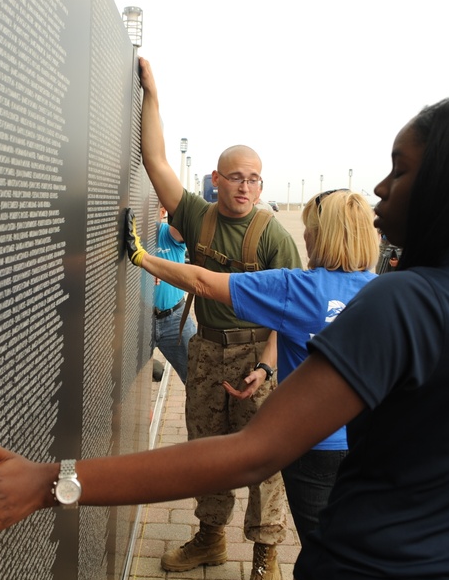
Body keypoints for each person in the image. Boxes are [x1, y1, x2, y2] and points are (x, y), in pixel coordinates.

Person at [0, 93, 449, 580]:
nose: (378, 187)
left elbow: (251, 452)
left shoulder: (402, 306)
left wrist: (52, 481)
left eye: (400, 169)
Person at [139, 57, 303, 580]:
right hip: (207, 353)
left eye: (255, 178)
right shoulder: (196, 215)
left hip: (257, 359)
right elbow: (156, 160)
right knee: (207, 450)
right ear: (216, 178)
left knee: (263, 462)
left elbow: (293, 313)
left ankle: (264, 561)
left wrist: (268, 366)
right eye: (236, 176)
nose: (246, 186)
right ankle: (210, 538)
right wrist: (152, 95)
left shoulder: (274, 237)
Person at [126, 188, 378, 540]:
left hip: (315, 447)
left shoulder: (299, 288)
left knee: (322, 548)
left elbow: (203, 282)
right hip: (373, 444)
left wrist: (141, 257)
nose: (304, 236)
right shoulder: (388, 291)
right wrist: (266, 368)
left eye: (310, 229)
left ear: (321, 236)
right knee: (357, 541)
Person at [151, 206, 196, 383]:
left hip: (175, 320)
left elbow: (184, 214)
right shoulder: (130, 240)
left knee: (196, 377)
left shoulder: (169, 235)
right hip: (138, 321)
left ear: (162, 212)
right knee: (129, 387)